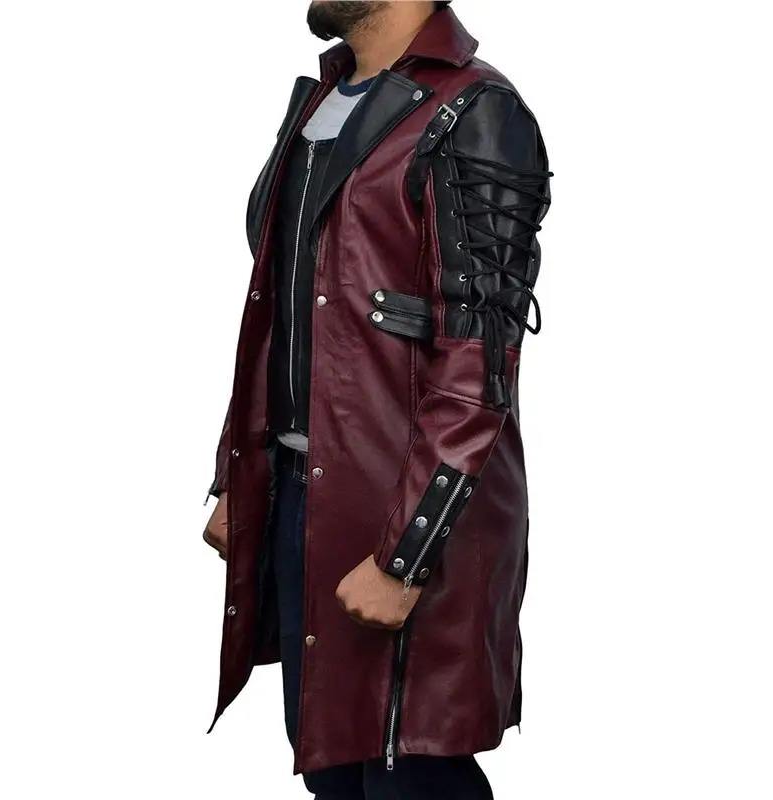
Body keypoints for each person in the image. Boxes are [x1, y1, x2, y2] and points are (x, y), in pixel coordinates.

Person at [202, 2, 552, 797]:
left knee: (412, 769)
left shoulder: (476, 109)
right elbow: (279, 309)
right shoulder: (324, 102)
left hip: (409, 506)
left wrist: (406, 556)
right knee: (330, 770)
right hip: (304, 497)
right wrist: (239, 476)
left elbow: (479, 365)